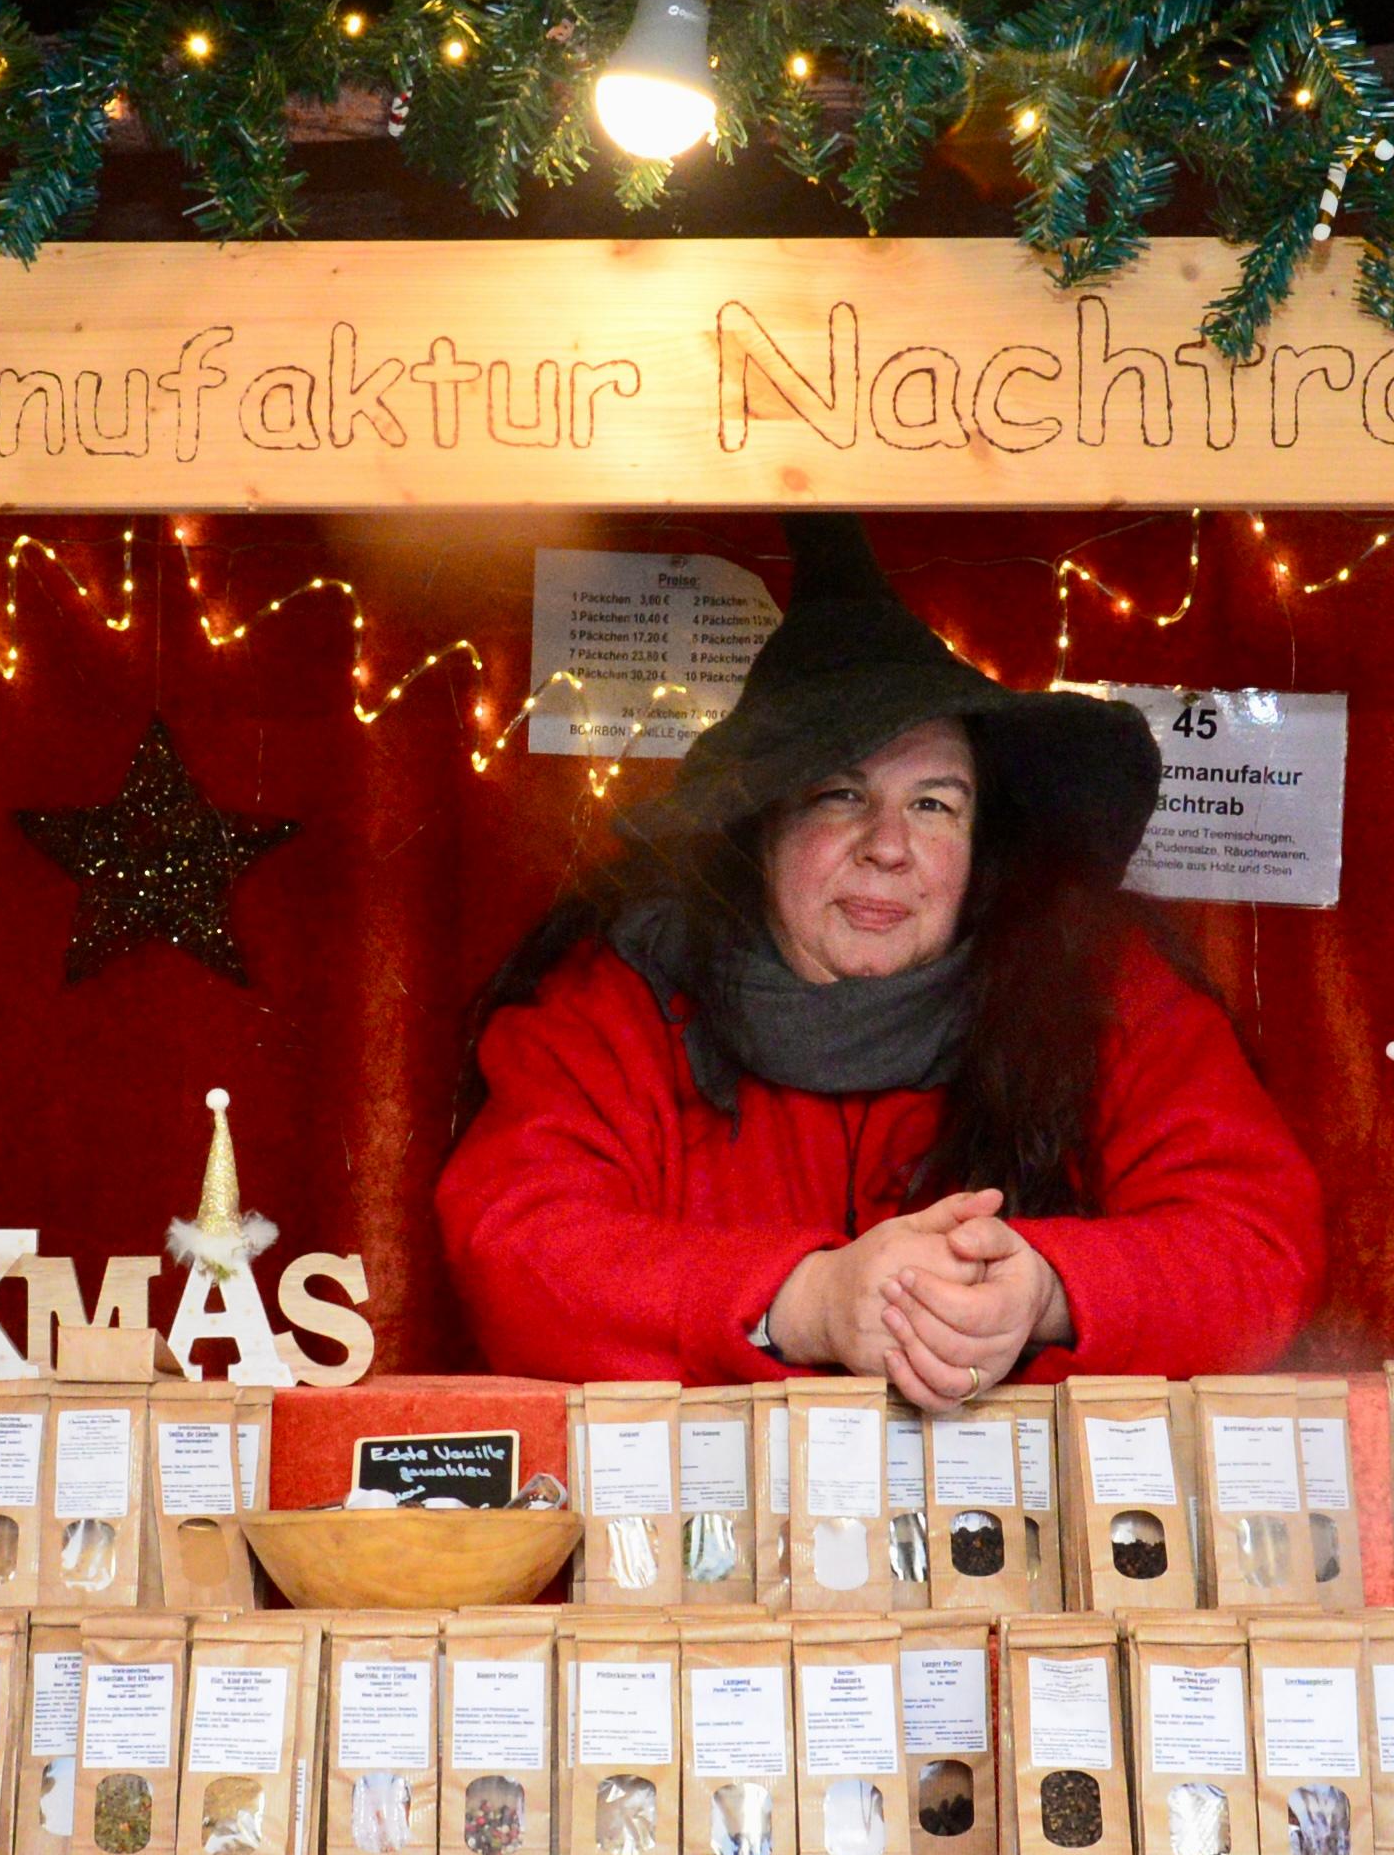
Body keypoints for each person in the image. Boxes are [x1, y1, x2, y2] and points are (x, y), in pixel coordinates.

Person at [440, 515, 1323, 1404]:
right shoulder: (623, 993)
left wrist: (1045, 1286)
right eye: (840, 794)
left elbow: (1259, 1244)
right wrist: (808, 1299)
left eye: (935, 804)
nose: (888, 847)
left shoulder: (1098, 987)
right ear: (762, 825)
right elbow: (515, 1245)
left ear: (982, 840)